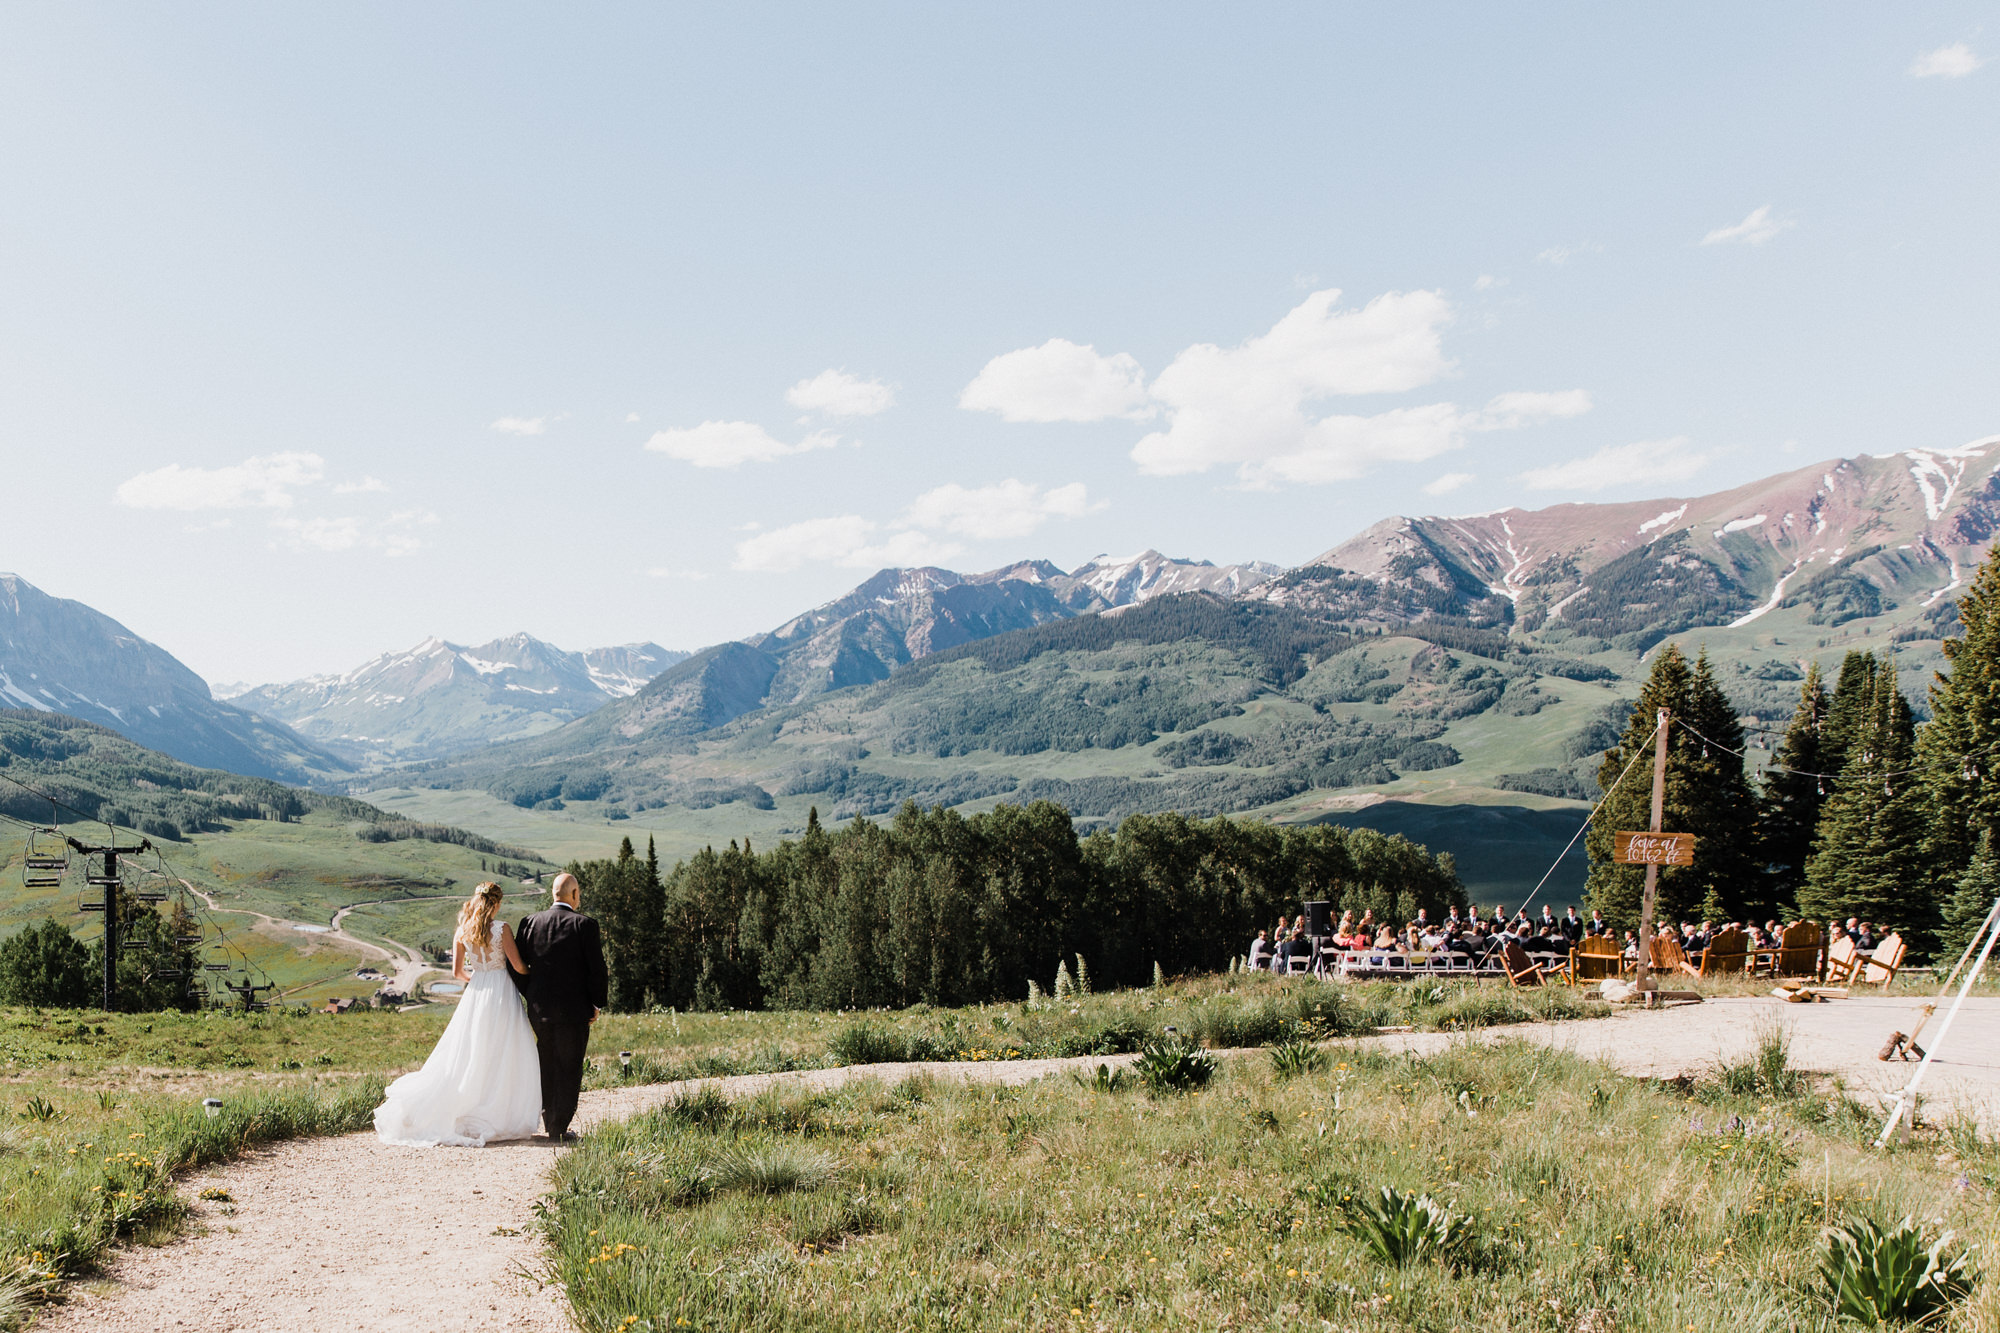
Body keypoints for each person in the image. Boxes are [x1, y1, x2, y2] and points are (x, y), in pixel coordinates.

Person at [374, 882, 541, 1147]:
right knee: (503, 1049)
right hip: (501, 992)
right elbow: (519, 966)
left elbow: (457, 973)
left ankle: (470, 1105)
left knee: (471, 1050)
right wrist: (537, 975)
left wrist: (476, 980)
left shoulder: (463, 931)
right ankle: (497, 1109)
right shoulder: (502, 929)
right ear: (496, 903)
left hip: (477, 991)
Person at [516, 872, 610, 1141]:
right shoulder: (586, 925)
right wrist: (596, 1003)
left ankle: (548, 1121)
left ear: (553, 894)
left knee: (545, 1062)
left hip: (539, 1010)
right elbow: (597, 970)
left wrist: (529, 993)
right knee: (569, 1066)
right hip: (574, 1011)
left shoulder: (530, 922)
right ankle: (558, 1128)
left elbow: (518, 966)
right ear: (575, 894)